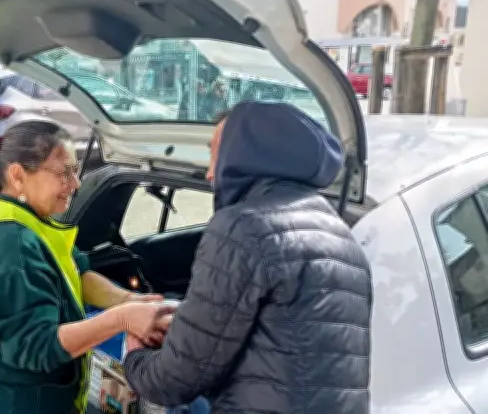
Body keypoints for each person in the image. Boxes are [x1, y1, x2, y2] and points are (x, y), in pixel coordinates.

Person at [123, 101, 373, 413]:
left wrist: (135, 358)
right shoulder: (342, 237)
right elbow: (282, 348)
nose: (210, 172)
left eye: (217, 153)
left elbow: (177, 378)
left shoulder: (244, 226)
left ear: (248, 153)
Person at [0, 121, 174, 414]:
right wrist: (121, 319)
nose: (76, 183)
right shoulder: (8, 244)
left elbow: (73, 272)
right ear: (18, 175)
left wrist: (127, 300)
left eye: (74, 169)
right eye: (64, 173)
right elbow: (36, 347)